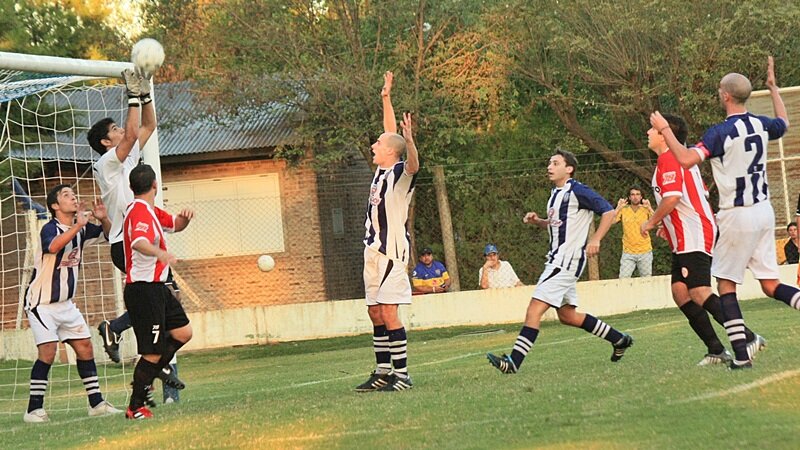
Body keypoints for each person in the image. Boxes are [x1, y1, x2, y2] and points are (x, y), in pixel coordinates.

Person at [650, 56, 800, 369]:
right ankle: (736, 350)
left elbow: (688, 159)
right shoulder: (761, 124)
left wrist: (665, 129)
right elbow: (784, 124)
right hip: (764, 212)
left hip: (737, 214)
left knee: (725, 286)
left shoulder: (721, 132)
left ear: (725, 96)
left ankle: (742, 357)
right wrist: (773, 88)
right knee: (771, 285)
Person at [487, 149, 633, 374]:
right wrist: (539, 221)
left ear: (569, 169)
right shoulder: (555, 194)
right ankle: (619, 339)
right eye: (549, 163)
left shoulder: (578, 190)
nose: (549, 167)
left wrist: (596, 239)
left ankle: (513, 362)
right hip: (558, 259)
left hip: (566, 261)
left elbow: (608, 212)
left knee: (534, 309)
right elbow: (559, 224)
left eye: (555, 163)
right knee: (567, 316)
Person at [88, 68, 183, 398]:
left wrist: (145, 95)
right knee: (161, 298)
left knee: (167, 301)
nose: (121, 131)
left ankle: (137, 346)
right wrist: (130, 94)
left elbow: (148, 125)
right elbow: (131, 134)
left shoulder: (127, 161)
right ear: (106, 142)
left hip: (136, 242)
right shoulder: (108, 164)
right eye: (114, 129)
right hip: (127, 245)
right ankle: (157, 367)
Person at [641, 113, 764, 366]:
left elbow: (673, 198)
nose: (648, 133)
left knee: (698, 291)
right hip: (686, 233)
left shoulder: (670, 158)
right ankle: (716, 350)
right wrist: (666, 224)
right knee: (680, 293)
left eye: (652, 129)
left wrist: (652, 221)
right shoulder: (673, 159)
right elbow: (687, 197)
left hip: (693, 234)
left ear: (665, 134)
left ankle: (749, 338)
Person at [22, 185, 122, 423]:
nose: (73, 197)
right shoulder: (49, 228)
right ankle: (33, 410)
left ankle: (96, 404)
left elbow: (107, 236)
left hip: (66, 304)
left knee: (86, 347)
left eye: (73, 194)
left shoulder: (82, 229)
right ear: (55, 206)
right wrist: (78, 224)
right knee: (48, 351)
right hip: (41, 303)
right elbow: (54, 247)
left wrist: (104, 218)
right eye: (66, 195)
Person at [355, 71, 419, 392]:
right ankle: (383, 372)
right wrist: (386, 98)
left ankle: (402, 376)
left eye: (378, 143)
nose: (374, 144)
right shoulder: (381, 170)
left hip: (392, 255)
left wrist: (410, 143)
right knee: (374, 311)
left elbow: (412, 165)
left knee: (390, 312)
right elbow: (390, 132)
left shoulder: (398, 173)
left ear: (391, 152)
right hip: (372, 252)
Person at [123, 164, 194, 419]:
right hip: (143, 290)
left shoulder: (150, 210)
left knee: (183, 333)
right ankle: (135, 406)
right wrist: (160, 252)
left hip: (157, 287)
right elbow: (139, 242)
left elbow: (174, 224)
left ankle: (149, 374)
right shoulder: (140, 212)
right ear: (155, 185)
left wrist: (184, 219)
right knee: (152, 352)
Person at [614, 187, 654, 278]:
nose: (635, 197)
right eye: (632, 194)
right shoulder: (624, 210)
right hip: (628, 252)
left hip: (645, 250)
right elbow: (611, 221)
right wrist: (618, 207)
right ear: (629, 197)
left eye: (637, 194)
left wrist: (650, 208)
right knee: (623, 279)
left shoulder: (645, 209)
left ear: (641, 197)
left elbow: (658, 222)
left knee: (647, 280)